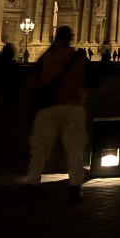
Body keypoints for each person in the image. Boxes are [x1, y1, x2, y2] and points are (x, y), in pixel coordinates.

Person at [26, 26, 88, 204]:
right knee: (75, 150)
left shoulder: (47, 57)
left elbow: (35, 75)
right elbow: (93, 80)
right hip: (74, 107)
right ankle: (75, 187)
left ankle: (32, 183)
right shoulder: (79, 58)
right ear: (70, 39)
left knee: (40, 148)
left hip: (50, 107)